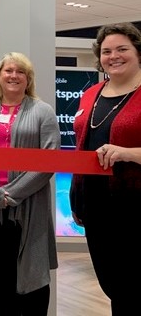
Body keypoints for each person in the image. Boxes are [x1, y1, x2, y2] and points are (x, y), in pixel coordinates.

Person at [0, 52, 60, 316]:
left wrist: (12, 194)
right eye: (8, 70)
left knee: (33, 284)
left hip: (29, 210)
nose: (13, 75)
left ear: (28, 78)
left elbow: (49, 159)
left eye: (20, 71)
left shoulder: (43, 111)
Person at [69, 22, 141, 315]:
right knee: (113, 285)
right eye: (107, 50)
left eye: (122, 49)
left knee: (134, 286)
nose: (114, 56)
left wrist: (128, 153)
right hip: (96, 205)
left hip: (134, 205)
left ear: (138, 52)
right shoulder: (92, 94)